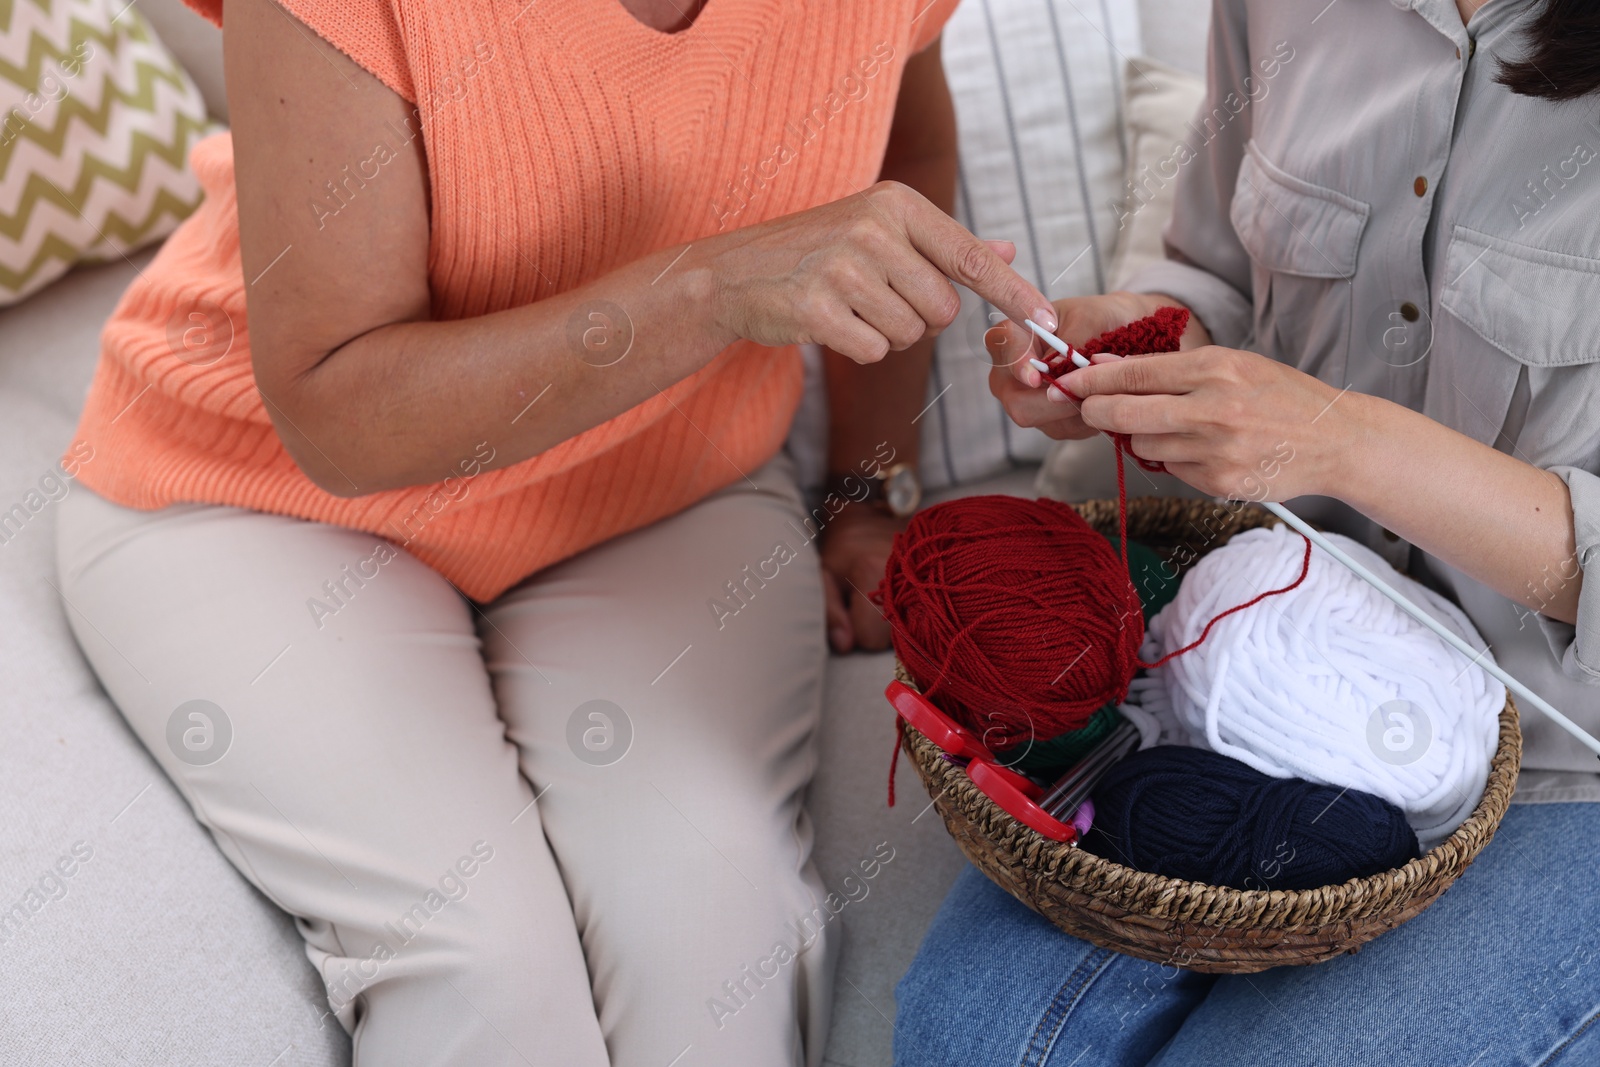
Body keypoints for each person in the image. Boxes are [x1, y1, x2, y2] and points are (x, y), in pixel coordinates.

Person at [51, 0, 1059, 1064]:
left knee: (716, 938)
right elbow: (336, 412)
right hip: (262, 489)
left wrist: (867, 482)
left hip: (664, 474)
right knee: (482, 964)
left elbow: (907, 147)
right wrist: (713, 287)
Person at [894, 0, 1600, 1063]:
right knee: (976, 1039)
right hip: (1266, 657)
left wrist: (1342, 441)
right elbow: (1218, 279)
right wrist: (1133, 348)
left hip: (1561, 760)